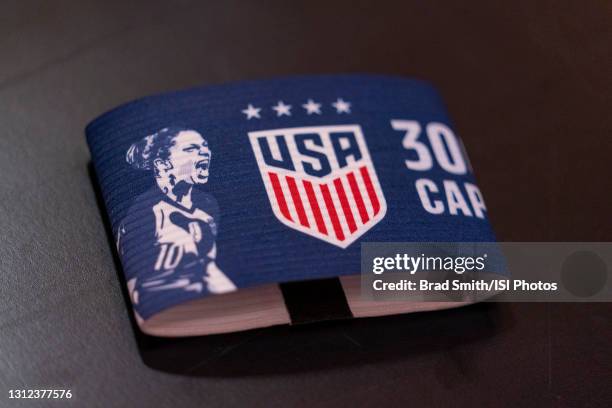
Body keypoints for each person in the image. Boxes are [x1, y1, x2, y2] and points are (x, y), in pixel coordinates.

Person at [119, 126, 235, 319]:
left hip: (205, 303)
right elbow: (133, 281)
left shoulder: (208, 205)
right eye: (191, 149)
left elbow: (207, 265)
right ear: (163, 164)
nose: (204, 151)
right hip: (164, 307)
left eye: (205, 146)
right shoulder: (144, 212)